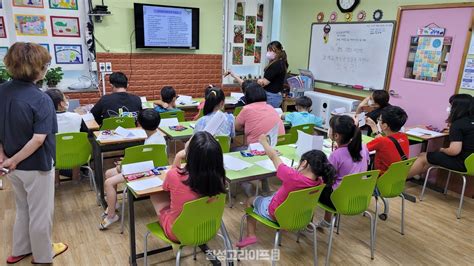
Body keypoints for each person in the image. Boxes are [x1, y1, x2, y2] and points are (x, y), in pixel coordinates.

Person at [0, 42, 67, 264]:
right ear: (36, 68)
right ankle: (42, 256)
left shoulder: (1, 91)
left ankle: (19, 249)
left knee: (22, 207)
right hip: (36, 165)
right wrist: (13, 160)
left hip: (11, 166)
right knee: (41, 214)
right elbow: (39, 139)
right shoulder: (41, 99)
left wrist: (5, 158)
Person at [236, 134, 334, 248]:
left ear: (304, 163)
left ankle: (251, 235)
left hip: (276, 214)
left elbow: (273, 156)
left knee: (250, 200)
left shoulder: (291, 176)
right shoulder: (319, 182)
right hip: (301, 216)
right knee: (273, 195)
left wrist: (264, 142)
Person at [149, 131, 226, 242]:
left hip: (177, 232)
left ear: (190, 154)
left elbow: (166, 187)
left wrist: (178, 156)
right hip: (207, 227)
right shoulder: (219, 176)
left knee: (156, 195)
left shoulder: (174, 175)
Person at [99, 109, 166, 229]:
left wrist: (123, 166)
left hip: (146, 172)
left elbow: (143, 165)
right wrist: (126, 163)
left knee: (108, 182)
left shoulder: (150, 142)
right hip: (150, 169)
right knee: (109, 173)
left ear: (139, 124)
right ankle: (113, 205)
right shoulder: (159, 136)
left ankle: (111, 216)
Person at [318, 115, 369, 228]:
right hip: (360, 196)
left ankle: (307, 225)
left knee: (312, 185)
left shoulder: (336, 155)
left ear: (336, 135)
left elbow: (326, 178)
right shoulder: (363, 147)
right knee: (334, 183)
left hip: (339, 199)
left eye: (330, 128)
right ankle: (327, 220)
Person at [408, 94, 474, 177]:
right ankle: (416, 175)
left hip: (463, 163)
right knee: (431, 157)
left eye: (451, 105)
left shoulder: (458, 124)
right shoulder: (469, 121)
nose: (449, 108)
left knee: (423, 156)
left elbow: (454, 151)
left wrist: (442, 149)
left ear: (457, 108)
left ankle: (398, 181)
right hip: (471, 162)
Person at [45, 88, 83, 185]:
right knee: (76, 145)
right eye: (65, 98)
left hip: (54, 158)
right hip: (78, 156)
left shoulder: (44, 121)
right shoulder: (76, 117)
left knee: (53, 148)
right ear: (61, 103)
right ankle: (76, 178)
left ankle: (56, 182)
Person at [365, 106, 409, 174]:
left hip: (379, 177)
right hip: (395, 176)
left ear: (385, 126)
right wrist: (373, 126)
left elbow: (361, 149)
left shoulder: (382, 141)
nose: (378, 121)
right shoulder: (404, 137)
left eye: (379, 119)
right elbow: (385, 142)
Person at [257, 41, 289, 108]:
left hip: (271, 97)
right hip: (275, 95)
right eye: (268, 50)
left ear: (277, 51)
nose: (268, 52)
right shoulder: (281, 63)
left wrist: (258, 81)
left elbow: (264, 83)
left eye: (270, 50)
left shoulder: (276, 64)